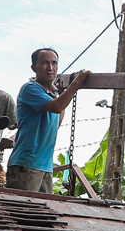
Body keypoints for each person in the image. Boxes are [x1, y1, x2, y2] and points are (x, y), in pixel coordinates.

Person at [7, 48, 91, 193]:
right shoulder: (30, 89)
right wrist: (76, 84)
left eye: (54, 63)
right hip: (26, 165)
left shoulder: (52, 93)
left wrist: (61, 92)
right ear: (34, 68)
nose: (50, 68)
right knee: (22, 211)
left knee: (42, 212)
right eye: (45, 63)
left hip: (44, 166)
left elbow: (56, 120)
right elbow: (57, 107)